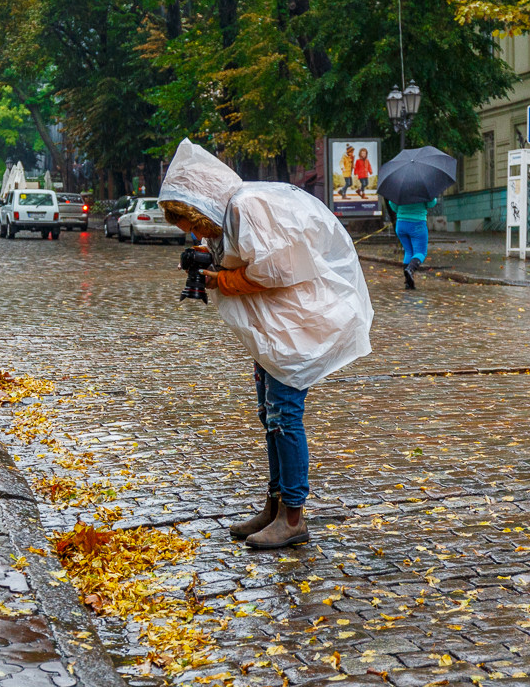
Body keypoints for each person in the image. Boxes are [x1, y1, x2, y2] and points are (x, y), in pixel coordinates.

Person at [158, 139, 373, 549]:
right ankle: (274, 507)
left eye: (196, 224)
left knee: (285, 416)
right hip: (275, 329)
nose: (198, 232)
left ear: (202, 203)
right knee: (269, 414)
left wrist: (219, 280)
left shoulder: (247, 207)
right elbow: (249, 259)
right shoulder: (235, 211)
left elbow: (274, 270)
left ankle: (293, 517)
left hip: (295, 326)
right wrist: (210, 260)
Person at [388, 197, 437, 290]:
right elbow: (431, 203)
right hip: (417, 224)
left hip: (401, 224)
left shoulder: (400, 189)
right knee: (421, 252)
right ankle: (410, 269)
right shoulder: (422, 189)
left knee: (408, 252)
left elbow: (392, 204)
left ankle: (408, 282)